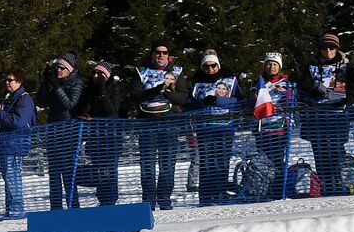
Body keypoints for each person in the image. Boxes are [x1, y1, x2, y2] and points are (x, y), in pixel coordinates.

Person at [132, 42, 188, 209]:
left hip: (169, 123)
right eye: (158, 52)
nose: (161, 55)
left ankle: (164, 199)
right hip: (147, 123)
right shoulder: (141, 71)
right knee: (147, 164)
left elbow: (183, 98)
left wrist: (169, 92)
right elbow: (135, 96)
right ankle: (148, 202)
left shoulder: (177, 71)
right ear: (152, 54)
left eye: (164, 52)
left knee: (168, 163)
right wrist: (155, 90)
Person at [297, 33, 353, 196]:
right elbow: (303, 87)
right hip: (317, 116)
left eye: (332, 47)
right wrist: (315, 91)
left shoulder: (346, 66)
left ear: (337, 49)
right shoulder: (312, 66)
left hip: (338, 115)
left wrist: (350, 98)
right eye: (324, 47)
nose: (328, 50)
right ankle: (326, 185)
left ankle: (340, 183)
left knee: (336, 150)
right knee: (320, 151)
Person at [186, 51, 241, 205]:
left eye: (213, 66)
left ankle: (219, 194)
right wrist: (202, 103)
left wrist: (220, 101)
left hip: (224, 128)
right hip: (204, 129)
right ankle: (205, 197)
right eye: (206, 66)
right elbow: (187, 105)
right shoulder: (196, 82)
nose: (210, 69)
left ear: (218, 65)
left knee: (221, 161)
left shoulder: (230, 80)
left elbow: (239, 101)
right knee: (206, 162)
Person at [74, 58, 125, 206]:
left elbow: (110, 110)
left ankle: (109, 200)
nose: (95, 76)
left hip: (111, 139)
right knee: (98, 169)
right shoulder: (89, 90)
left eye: (100, 74)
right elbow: (84, 110)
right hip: (95, 139)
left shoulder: (114, 88)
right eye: (94, 73)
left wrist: (102, 88)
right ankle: (103, 199)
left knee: (109, 170)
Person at [37, 53, 86, 209]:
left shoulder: (77, 83)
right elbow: (42, 101)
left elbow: (70, 104)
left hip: (68, 132)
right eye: (57, 67)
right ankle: (55, 208)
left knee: (68, 172)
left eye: (62, 68)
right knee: (54, 173)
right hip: (53, 130)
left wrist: (57, 87)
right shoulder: (54, 81)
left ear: (69, 69)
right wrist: (46, 82)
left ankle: (73, 206)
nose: (58, 70)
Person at [0, 68, 37, 219]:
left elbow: (17, 122)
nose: (7, 83)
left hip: (15, 145)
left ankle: (16, 210)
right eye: (6, 80)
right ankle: (11, 209)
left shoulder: (24, 99)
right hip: (6, 144)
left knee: (12, 177)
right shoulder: (9, 98)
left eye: (10, 80)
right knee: (8, 177)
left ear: (19, 82)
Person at [251, 52, 295, 199]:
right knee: (264, 160)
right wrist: (254, 98)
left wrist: (287, 93)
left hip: (280, 129)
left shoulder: (285, 82)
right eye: (269, 64)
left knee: (277, 159)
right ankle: (266, 189)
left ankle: (279, 190)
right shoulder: (258, 82)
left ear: (279, 67)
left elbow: (293, 101)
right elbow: (250, 104)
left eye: (275, 64)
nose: (272, 67)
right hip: (262, 129)